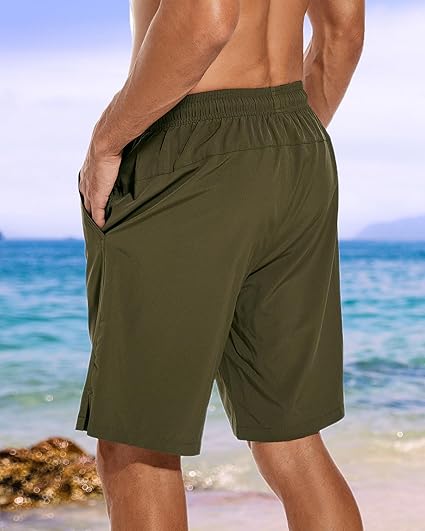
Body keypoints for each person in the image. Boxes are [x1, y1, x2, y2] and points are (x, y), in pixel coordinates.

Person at [75, 0, 365, 529]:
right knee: (290, 440)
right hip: (297, 148)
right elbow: (343, 30)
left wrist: (106, 141)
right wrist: (273, 143)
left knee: (137, 442)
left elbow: (206, 17)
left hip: (188, 144)